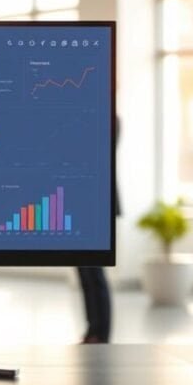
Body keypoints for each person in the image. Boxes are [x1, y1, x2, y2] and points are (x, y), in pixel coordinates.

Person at [77, 117, 119, 344]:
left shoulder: (109, 120)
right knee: (84, 272)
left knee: (95, 272)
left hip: (97, 205)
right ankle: (92, 329)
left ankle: (102, 333)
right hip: (80, 204)